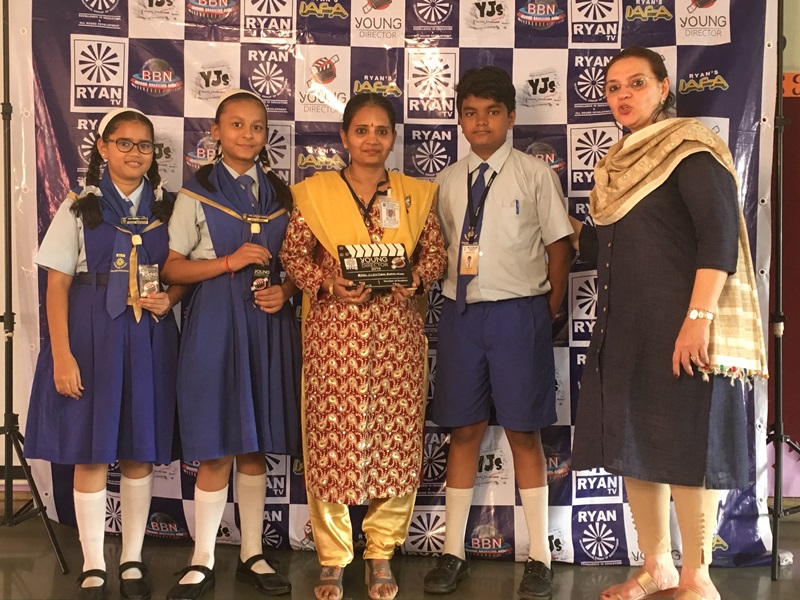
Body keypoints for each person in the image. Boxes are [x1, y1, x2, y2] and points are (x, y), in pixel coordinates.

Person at [568, 46, 768, 600]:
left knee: (687, 449)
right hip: (624, 330)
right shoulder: (615, 167)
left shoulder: (689, 151)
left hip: (682, 329)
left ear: (662, 88)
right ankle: (656, 568)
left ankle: (697, 576)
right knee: (635, 448)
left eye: (636, 83)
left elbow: (718, 238)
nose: (622, 95)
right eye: (612, 87)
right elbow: (610, 246)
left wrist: (698, 319)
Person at [280, 92, 447, 600]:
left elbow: (435, 255)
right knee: (330, 441)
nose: (372, 139)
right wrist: (326, 283)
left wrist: (415, 279)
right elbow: (293, 254)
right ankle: (333, 557)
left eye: (381, 131)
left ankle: (381, 552)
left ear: (393, 138)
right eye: (361, 130)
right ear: (344, 137)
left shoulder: (415, 195)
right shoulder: (316, 193)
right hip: (334, 337)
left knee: (395, 441)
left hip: (397, 338)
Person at [423, 66, 573, 599]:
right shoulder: (447, 180)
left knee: (523, 433)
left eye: (492, 112)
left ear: (510, 117)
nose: (481, 122)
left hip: (519, 314)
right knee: (463, 431)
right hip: (462, 314)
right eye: (470, 113)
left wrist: (545, 309)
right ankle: (452, 552)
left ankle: (540, 557)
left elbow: (560, 247)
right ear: (460, 120)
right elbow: (439, 248)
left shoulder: (534, 174)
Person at [25, 108, 182, 600]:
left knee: (138, 451)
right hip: (92, 338)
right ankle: (94, 562)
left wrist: (170, 298)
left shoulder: (168, 208)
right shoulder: (79, 208)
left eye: (144, 145)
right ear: (103, 148)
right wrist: (62, 355)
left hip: (149, 336)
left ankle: (132, 558)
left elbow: (180, 273)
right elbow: (56, 286)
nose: (135, 153)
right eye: (124, 143)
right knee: (91, 452)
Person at [161, 90, 300, 600]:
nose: (247, 134)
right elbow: (171, 268)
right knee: (217, 445)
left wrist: (286, 290)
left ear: (266, 136)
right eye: (236, 125)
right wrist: (227, 262)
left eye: (257, 126)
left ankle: (252, 554)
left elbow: (300, 264)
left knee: (254, 445)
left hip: (267, 323)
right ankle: (201, 559)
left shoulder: (283, 195)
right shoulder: (195, 192)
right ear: (216, 132)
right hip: (216, 323)